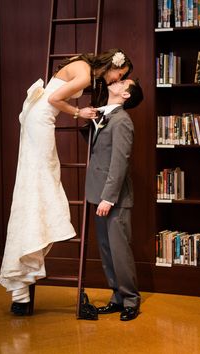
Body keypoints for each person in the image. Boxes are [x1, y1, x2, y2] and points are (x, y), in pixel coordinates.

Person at [0, 48, 133, 316]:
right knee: (40, 180)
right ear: (111, 67)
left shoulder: (84, 68)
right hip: (41, 119)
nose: (118, 79)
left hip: (36, 117)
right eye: (121, 73)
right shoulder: (85, 75)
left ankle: (22, 279)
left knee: (36, 181)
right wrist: (77, 113)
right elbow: (56, 98)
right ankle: (25, 266)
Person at [85, 78, 144, 321]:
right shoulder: (105, 115)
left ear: (126, 95)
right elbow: (100, 151)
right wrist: (89, 121)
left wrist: (108, 198)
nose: (117, 81)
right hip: (98, 193)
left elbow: (120, 162)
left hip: (114, 199)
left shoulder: (122, 121)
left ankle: (131, 300)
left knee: (120, 251)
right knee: (107, 251)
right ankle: (117, 298)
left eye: (123, 82)